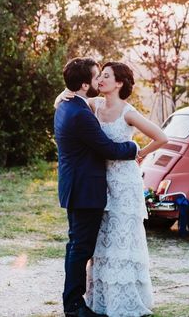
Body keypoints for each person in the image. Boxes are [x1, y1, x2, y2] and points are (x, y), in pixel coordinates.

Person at [55, 61, 168, 317]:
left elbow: (162, 137)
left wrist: (140, 154)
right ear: (87, 84)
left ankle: (121, 297)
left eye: (106, 76)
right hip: (96, 184)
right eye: (99, 76)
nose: (101, 80)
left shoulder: (123, 111)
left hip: (120, 182)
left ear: (118, 83)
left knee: (119, 240)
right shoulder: (89, 107)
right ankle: (88, 301)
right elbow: (104, 146)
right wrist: (133, 150)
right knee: (96, 244)